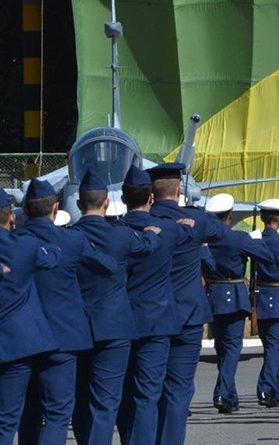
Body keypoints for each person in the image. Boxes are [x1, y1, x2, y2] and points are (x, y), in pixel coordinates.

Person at [15, 179, 117, 445]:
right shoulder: (72, 240)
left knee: (29, 412)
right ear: (56, 208)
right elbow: (108, 266)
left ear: (25, 210)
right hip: (63, 338)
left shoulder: (14, 243)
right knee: (58, 414)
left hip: (22, 339)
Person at [71, 170, 162, 445]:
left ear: (78, 205)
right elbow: (149, 246)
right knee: (106, 403)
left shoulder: (67, 238)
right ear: (107, 204)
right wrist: (153, 232)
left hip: (77, 329)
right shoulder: (120, 236)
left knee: (81, 400)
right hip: (114, 328)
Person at [116, 166, 194, 445]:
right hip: (158, 319)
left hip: (122, 321)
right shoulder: (170, 231)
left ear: (123, 199)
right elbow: (189, 232)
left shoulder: (115, 231)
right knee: (148, 392)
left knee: (124, 392)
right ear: (150, 199)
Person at [148, 163, 223, 445]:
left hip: (153, 316)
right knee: (179, 390)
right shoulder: (197, 222)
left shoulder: (144, 222)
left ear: (151, 194)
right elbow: (221, 232)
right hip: (189, 315)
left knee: (148, 389)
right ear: (179, 191)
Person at [203, 193, 274, 414]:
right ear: (230, 215)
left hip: (212, 294)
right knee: (232, 347)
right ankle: (223, 392)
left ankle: (230, 396)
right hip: (233, 294)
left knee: (221, 347)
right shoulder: (238, 238)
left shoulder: (203, 239)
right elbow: (267, 256)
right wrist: (255, 240)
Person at [0, 189, 60, 445]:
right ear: (11, 217)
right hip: (15, 345)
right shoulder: (25, 246)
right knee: (6, 419)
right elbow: (53, 257)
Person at [253, 199, 279, 408]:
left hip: (261, 297)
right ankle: (264, 387)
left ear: (262, 218)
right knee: (274, 348)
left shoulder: (256, 240)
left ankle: (277, 390)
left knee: (270, 346)